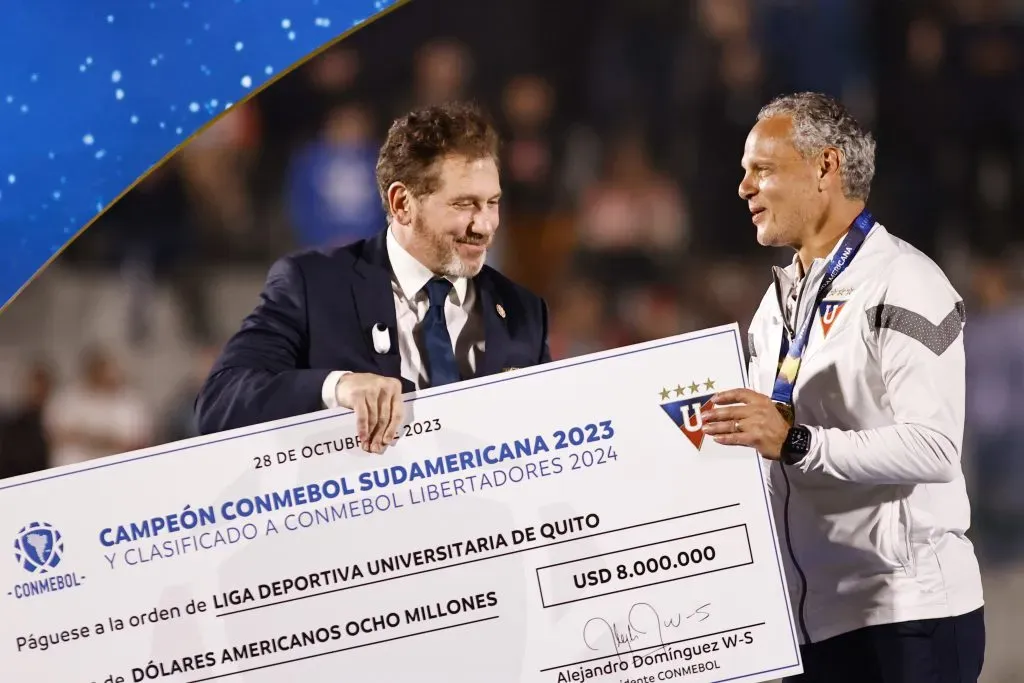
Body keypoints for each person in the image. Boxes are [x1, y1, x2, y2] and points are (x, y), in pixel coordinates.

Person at [702, 92, 985, 682]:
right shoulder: (780, 300)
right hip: (810, 622)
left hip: (906, 617)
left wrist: (799, 444)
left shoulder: (905, 281)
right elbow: (767, 441)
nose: (744, 188)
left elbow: (936, 449)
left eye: (762, 169)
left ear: (825, 167)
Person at [195, 101, 552, 452]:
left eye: (492, 202)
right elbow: (221, 403)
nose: (485, 225)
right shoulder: (312, 286)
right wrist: (338, 387)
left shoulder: (523, 310)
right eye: (464, 204)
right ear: (401, 204)